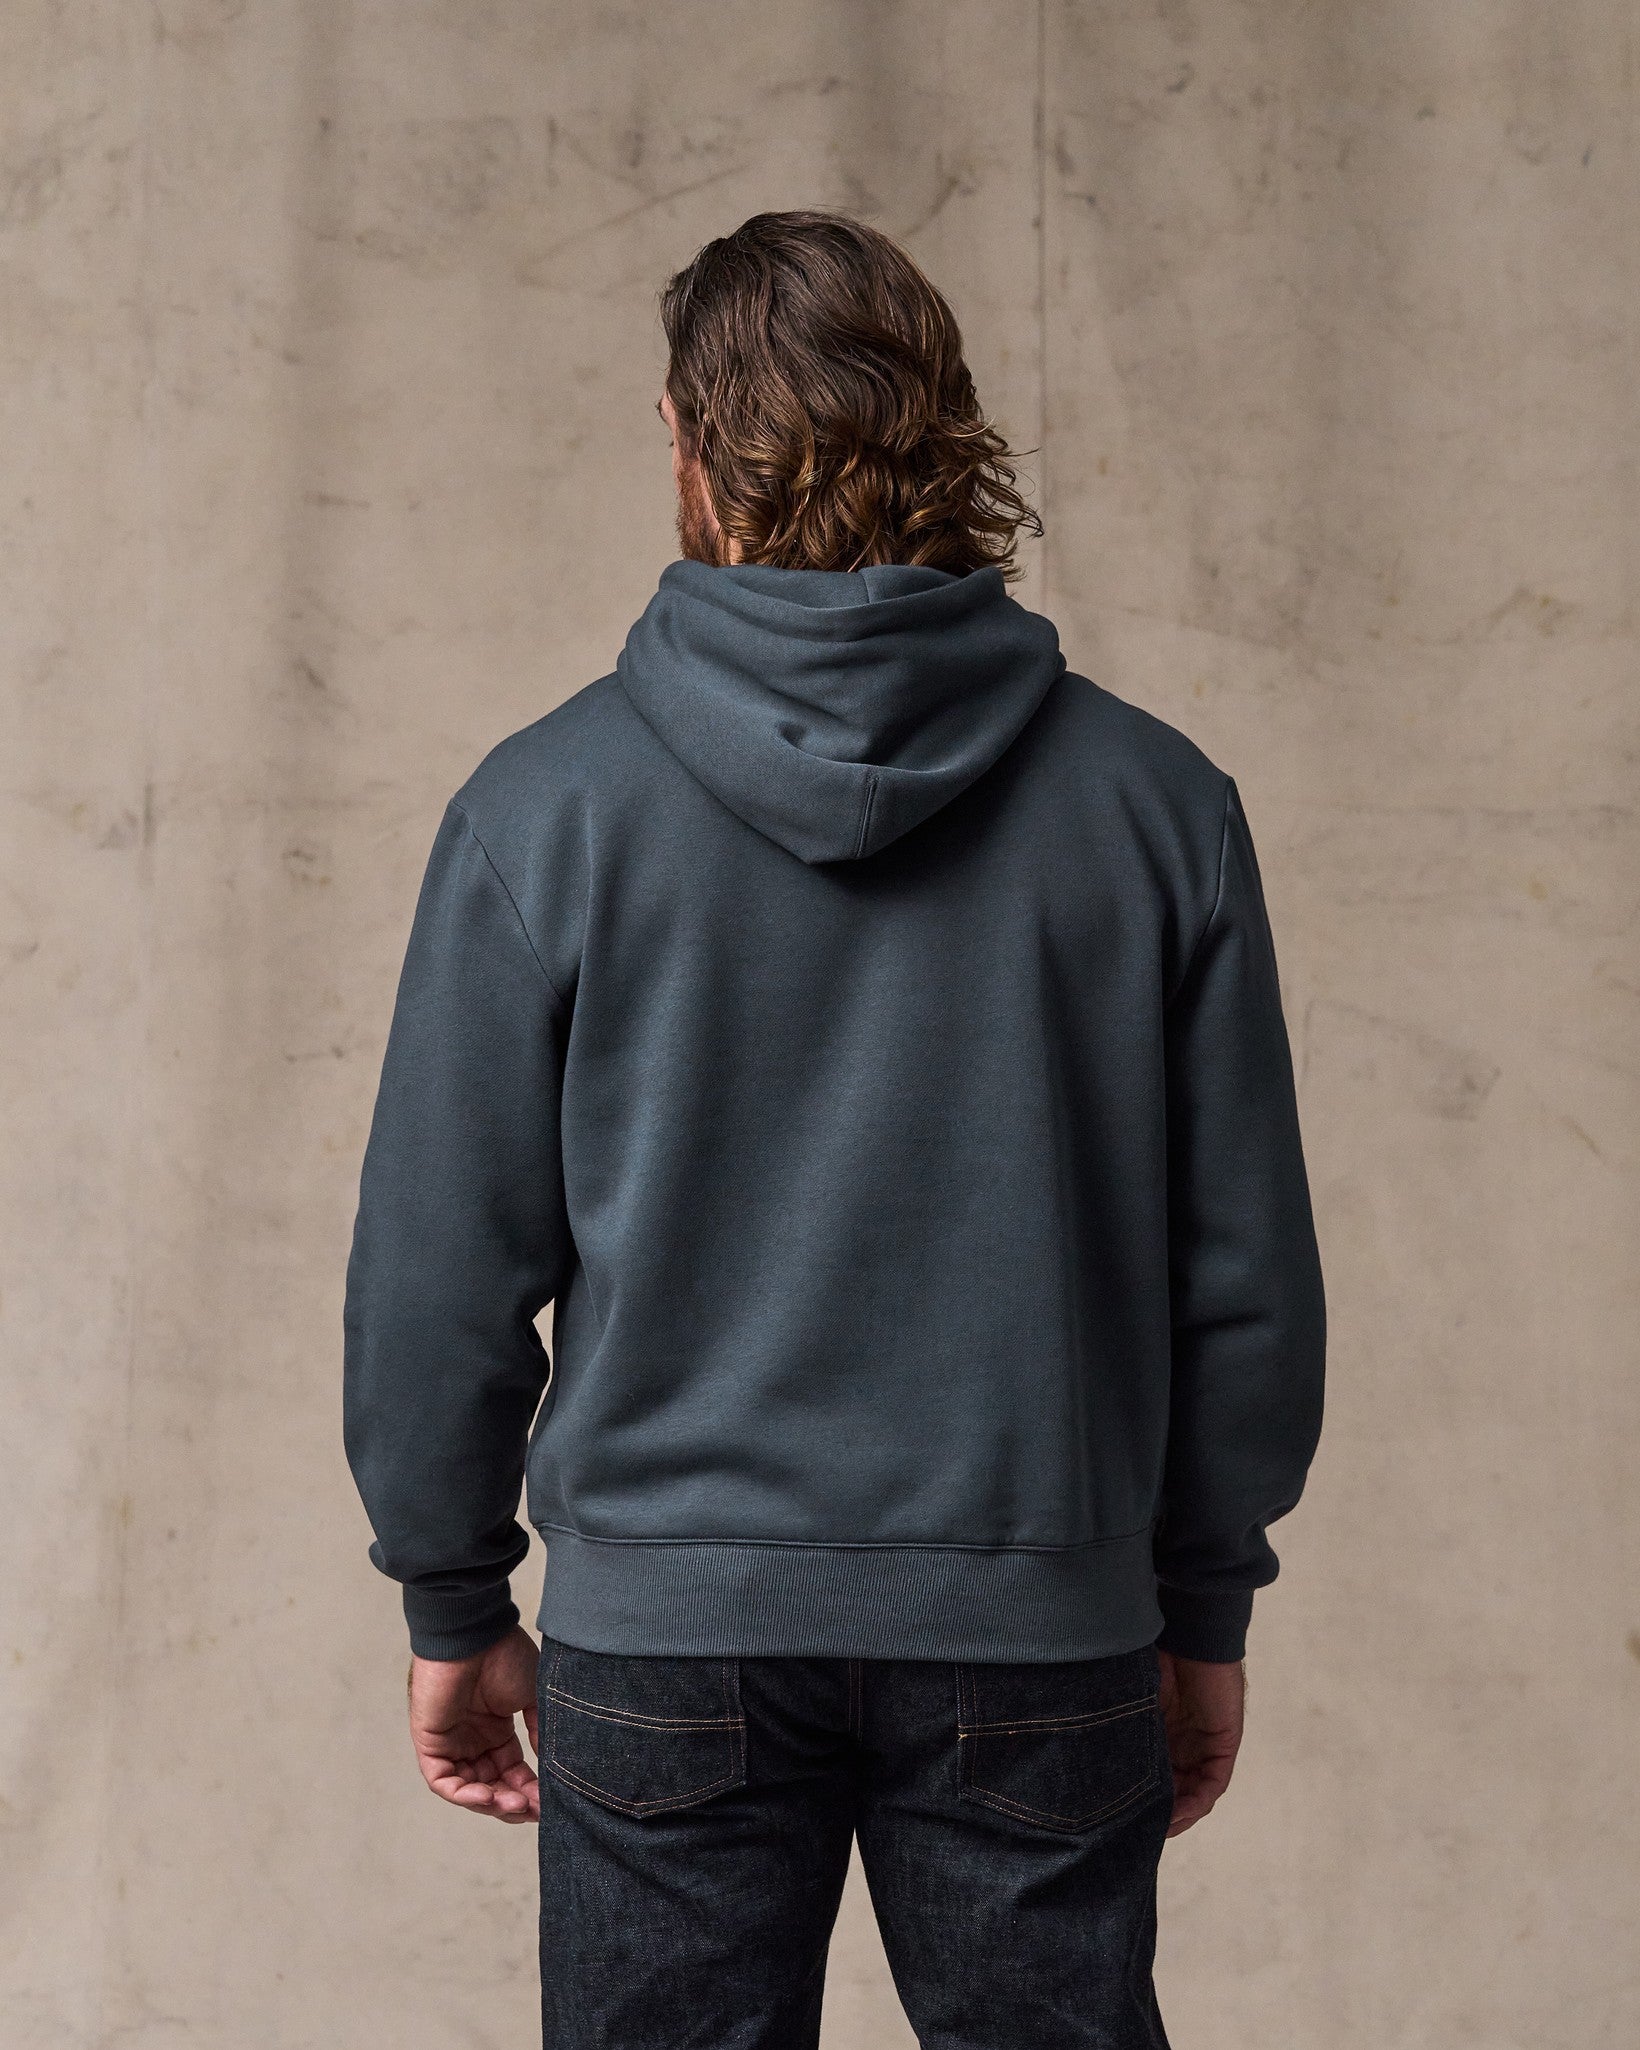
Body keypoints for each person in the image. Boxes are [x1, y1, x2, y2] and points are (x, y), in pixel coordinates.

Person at [342, 209, 1326, 2050]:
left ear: (690, 445)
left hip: (670, 1632)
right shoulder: (1155, 809)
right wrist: (1203, 1601)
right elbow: (1245, 1280)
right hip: (1041, 1621)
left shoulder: (543, 811)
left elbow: (436, 1276)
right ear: (945, 437)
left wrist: (452, 1596)